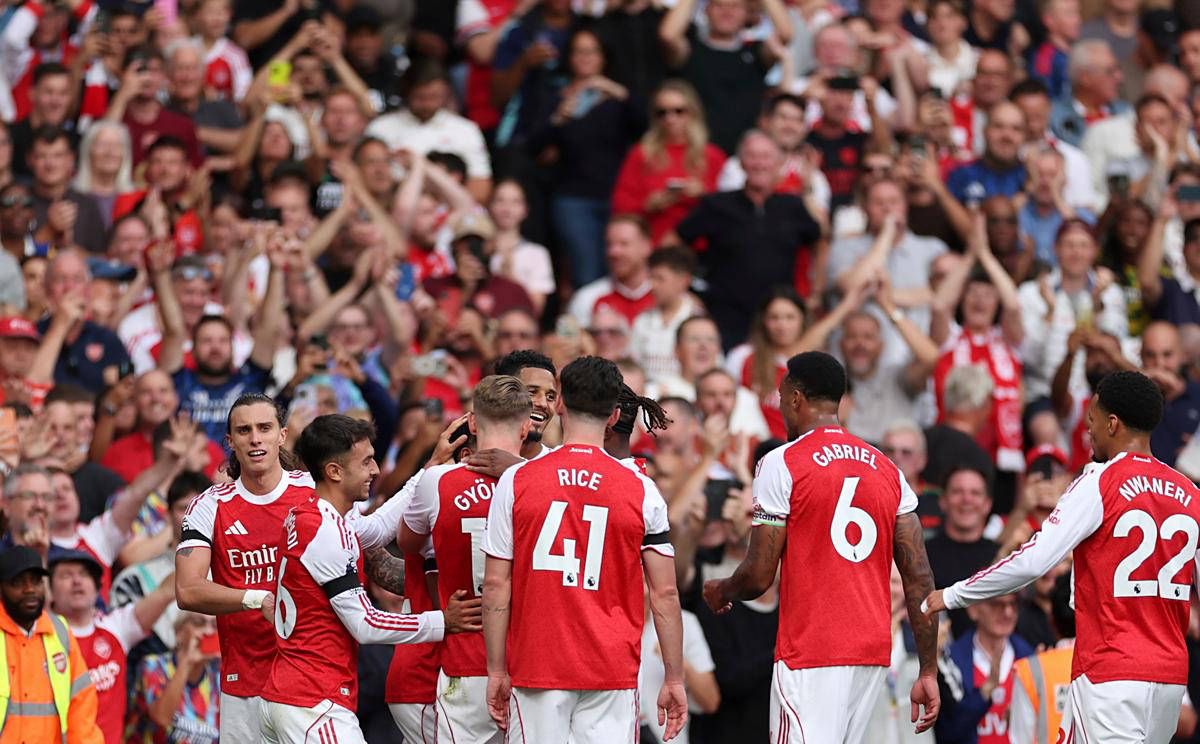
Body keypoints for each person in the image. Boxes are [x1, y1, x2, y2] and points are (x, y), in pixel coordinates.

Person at [923, 370, 1199, 743]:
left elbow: (1034, 560)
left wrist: (954, 594)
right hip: (1170, 677)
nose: (1088, 431)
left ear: (1112, 424)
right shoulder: (1190, 492)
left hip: (1111, 671)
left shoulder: (1099, 481)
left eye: (1092, 420)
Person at [701, 351, 940, 741]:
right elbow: (920, 576)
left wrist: (722, 589)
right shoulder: (887, 468)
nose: (781, 407)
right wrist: (928, 669)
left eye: (782, 398)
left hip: (811, 652)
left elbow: (759, 576)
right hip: (870, 654)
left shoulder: (782, 462)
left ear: (796, 398)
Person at [175, 393, 414, 742]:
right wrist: (257, 599)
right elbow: (188, 590)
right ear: (230, 441)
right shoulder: (209, 506)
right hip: (245, 685)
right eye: (244, 430)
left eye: (264, 428)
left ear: (282, 435)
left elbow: (373, 556)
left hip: (309, 687)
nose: (255, 438)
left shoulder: (316, 491)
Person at [480, 356, 688, 742]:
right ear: (614, 416)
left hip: (537, 665)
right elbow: (665, 593)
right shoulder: (641, 489)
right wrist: (674, 677)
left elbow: (495, 585)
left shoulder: (517, 480)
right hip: (611, 670)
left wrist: (495, 670)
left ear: (560, 404)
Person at [260, 414, 480, 744]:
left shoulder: (312, 515)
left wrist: (429, 469)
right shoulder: (325, 531)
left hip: (291, 694)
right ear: (334, 471)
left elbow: (376, 529)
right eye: (366, 462)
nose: (376, 470)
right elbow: (365, 624)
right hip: (313, 700)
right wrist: (443, 621)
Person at [398, 375, 532, 743]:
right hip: (529, 662)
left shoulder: (437, 482)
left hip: (465, 660)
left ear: (472, 423)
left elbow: (407, 543)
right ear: (525, 427)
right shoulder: (541, 484)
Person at [673, 130, 821, 350]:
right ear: (741, 162)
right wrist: (686, 290)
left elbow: (820, 240)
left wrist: (816, 291)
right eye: (752, 156)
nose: (759, 163)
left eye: (766, 156)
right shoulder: (717, 205)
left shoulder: (793, 206)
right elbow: (675, 242)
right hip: (726, 319)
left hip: (777, 323)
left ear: (779, 162)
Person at [49, 549, 176, 744]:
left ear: (97, 587)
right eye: (66, 575)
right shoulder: (43, 637)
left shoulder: (115, 627)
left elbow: (165, 593)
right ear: (49, 590)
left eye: (84, 574)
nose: (77, 581)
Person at [658, 0, 792, 154]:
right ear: (706, 10)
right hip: (697, 152)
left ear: (746, 14)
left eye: (735, 6)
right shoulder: (691, 50)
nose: (727, 12)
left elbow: (785, 34)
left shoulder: (755, 53)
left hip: (745, 157)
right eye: (719, 5)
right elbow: (668, 35)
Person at [0, 545, 103, 744]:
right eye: (18, 582)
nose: (30, 589)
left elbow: (81, 707)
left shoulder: (60, 632)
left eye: (36, 581)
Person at [610, 80, 726, 244]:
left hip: (703, 248)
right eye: (661, 112)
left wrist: (703, 194)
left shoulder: (712, 155)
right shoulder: (641, 154)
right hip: (653, 245)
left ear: (692, 113)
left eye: (679, 111)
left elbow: (732, 205)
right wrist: (648, 205)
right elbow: (620, 205)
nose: (670, 118)